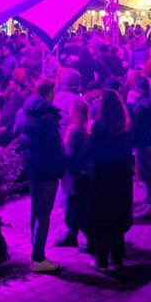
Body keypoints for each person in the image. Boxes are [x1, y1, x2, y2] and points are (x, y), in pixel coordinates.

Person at [13, 78, 66, 272]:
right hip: (48, 169)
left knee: (35, 209)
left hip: (31, 167)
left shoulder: (22, 112)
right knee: (44, 213)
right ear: (50, 93)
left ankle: (34, 245)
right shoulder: (49, 115)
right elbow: (56, 146)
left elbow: (16, 134)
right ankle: (38, 257)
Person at [84, 89, 134, 271]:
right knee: (117, 220)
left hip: (102, 178)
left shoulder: (98, 128)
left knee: (102, 219)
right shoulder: (125, 128)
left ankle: (102, 262)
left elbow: (90, 152)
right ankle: (118, 260)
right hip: (120, 177)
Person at [57, 96, 91, 248]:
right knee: (75, 205)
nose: (69, 112)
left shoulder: (76, 132)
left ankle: (85, 237)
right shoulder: (83, 130)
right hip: (80, 173)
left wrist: (60, 157)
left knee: (75, 205)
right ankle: (73, 234)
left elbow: (72, 155)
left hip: (74, 174)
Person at [129, 74, 151, 217]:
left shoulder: (141, 105)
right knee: (149, 173)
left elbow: (137, 125)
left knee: (146, 174)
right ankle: (149, 202)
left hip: (144, 142)